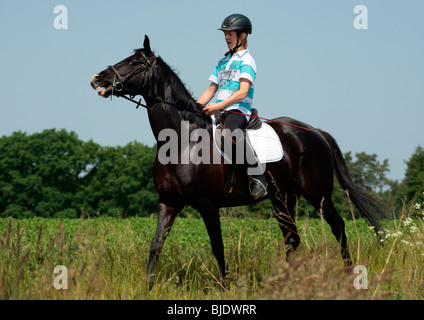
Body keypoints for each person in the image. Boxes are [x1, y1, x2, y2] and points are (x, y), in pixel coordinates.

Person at [197, 13, 267, 200]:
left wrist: (218, 106)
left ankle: (257, 175)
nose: (226, 37)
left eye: (230, 33)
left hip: (238, 110)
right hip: (218, 109)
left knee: (232, 132)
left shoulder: (247, 60)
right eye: (225, 34)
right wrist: (194, 106)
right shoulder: (222, 62)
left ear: (242, 35)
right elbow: (211, 89)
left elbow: (243, 92)